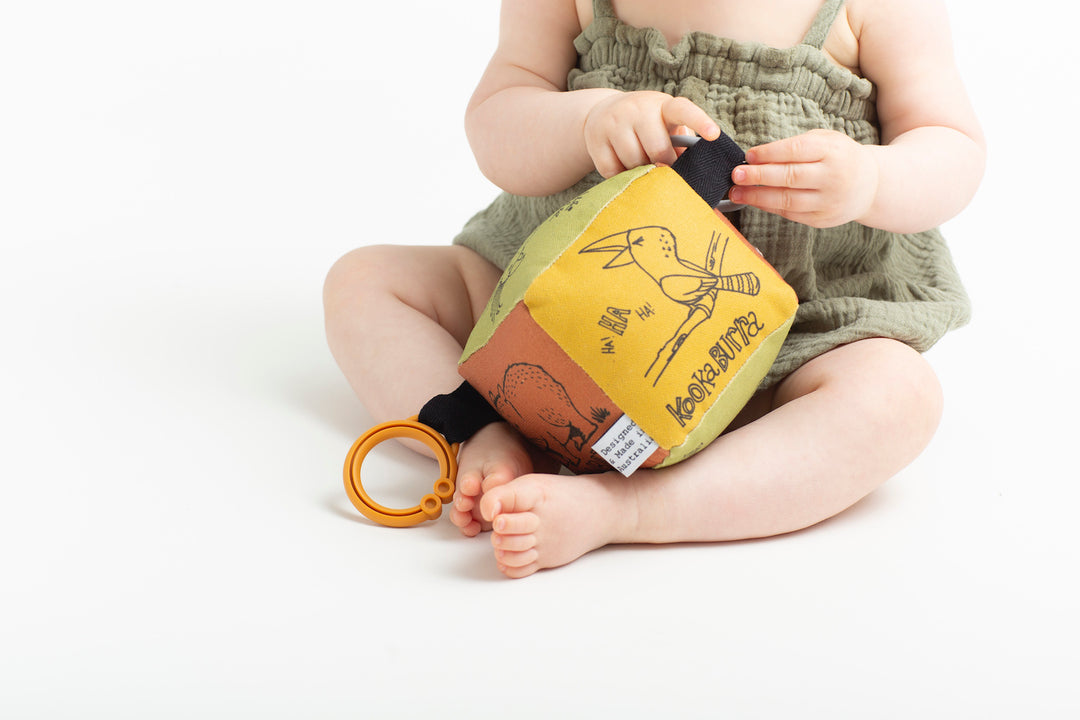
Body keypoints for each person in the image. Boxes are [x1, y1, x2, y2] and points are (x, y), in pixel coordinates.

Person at [323, 0, 985, 578]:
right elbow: (496, 122)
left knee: (897, 395)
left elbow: (951, 146)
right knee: (364, 281)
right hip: (552, 307)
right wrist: (588, 121)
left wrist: (870, 179)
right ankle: (484, 433)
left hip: (780, 343)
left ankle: (630, 508)